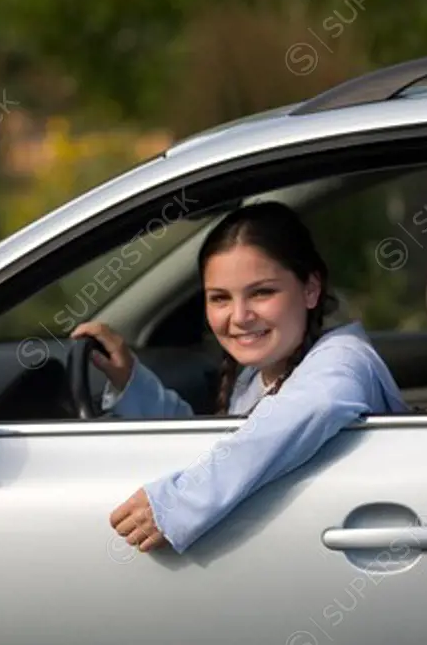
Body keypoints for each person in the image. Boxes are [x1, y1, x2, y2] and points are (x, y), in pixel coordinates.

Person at [70, 200, 409, 554]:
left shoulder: (342, 361)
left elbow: (307, 410)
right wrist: (132, 384)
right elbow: (218, 444)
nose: (240, 316)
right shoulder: (256, 376)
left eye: (261, 292)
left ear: (311, 289)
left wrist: (179, 503)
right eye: (220, 298)